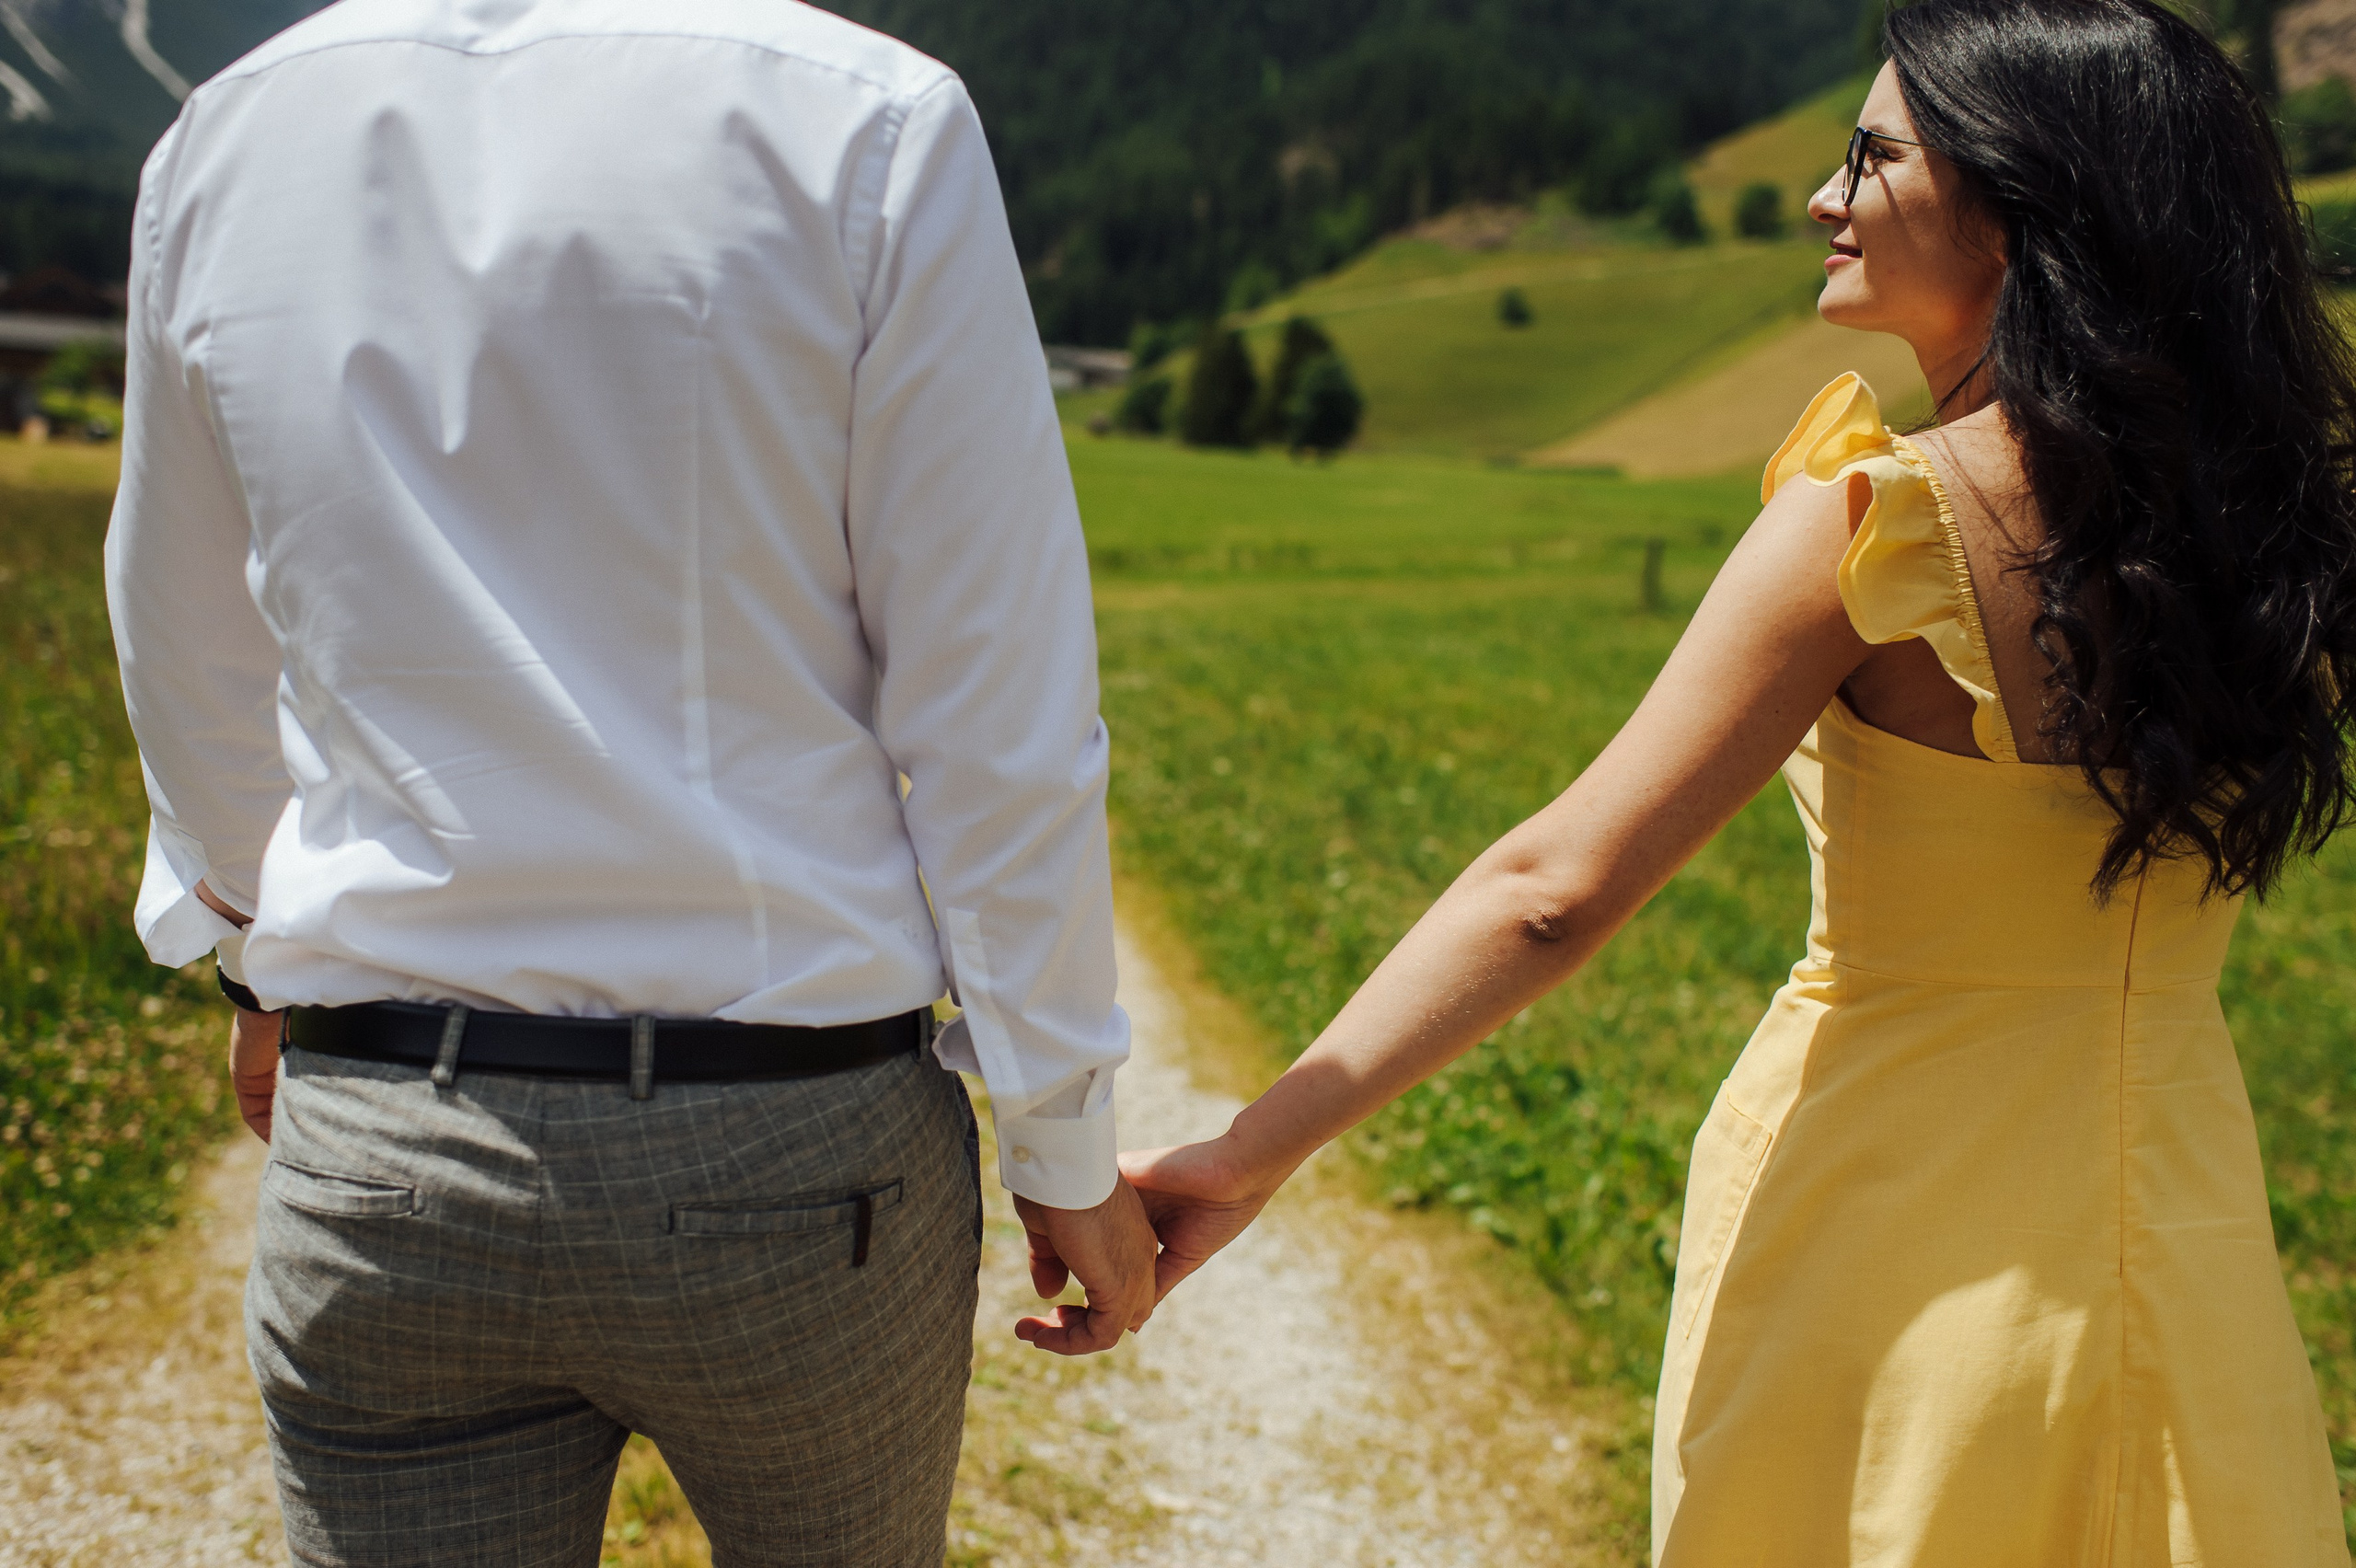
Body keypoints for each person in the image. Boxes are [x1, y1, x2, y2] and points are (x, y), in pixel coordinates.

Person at [1126, 1, 2356, 1561]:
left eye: (1874, 156)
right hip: (2178, 1219)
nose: (1824, 198)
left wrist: (1248, 1153)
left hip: (1885, 1221)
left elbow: (1551, 893)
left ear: (2017, 204)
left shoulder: (1877, 524)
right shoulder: (2270, 549)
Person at [104, 1, 1156, 1562]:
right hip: (797, 1160)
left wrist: (260, 963)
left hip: (391, 1140)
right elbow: (993, 710)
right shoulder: (868, 118)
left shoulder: (228, 135)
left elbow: (186, 643)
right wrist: (1061, 1136)